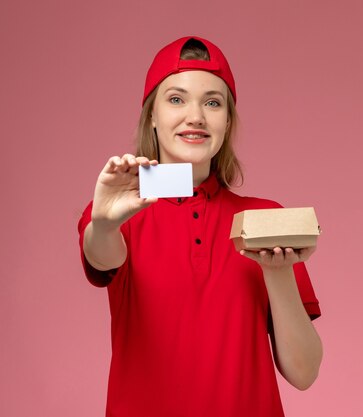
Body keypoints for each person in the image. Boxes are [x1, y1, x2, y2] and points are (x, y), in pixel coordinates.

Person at [77, 36, 322, 417]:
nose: (196, 116)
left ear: (227, 120)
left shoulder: (264, 218)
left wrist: (277, 271)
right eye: (176, 99)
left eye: (212, 102)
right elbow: (101, 252)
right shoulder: (117, 211)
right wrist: (105, 224)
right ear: (152, 116)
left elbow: (304, 372)